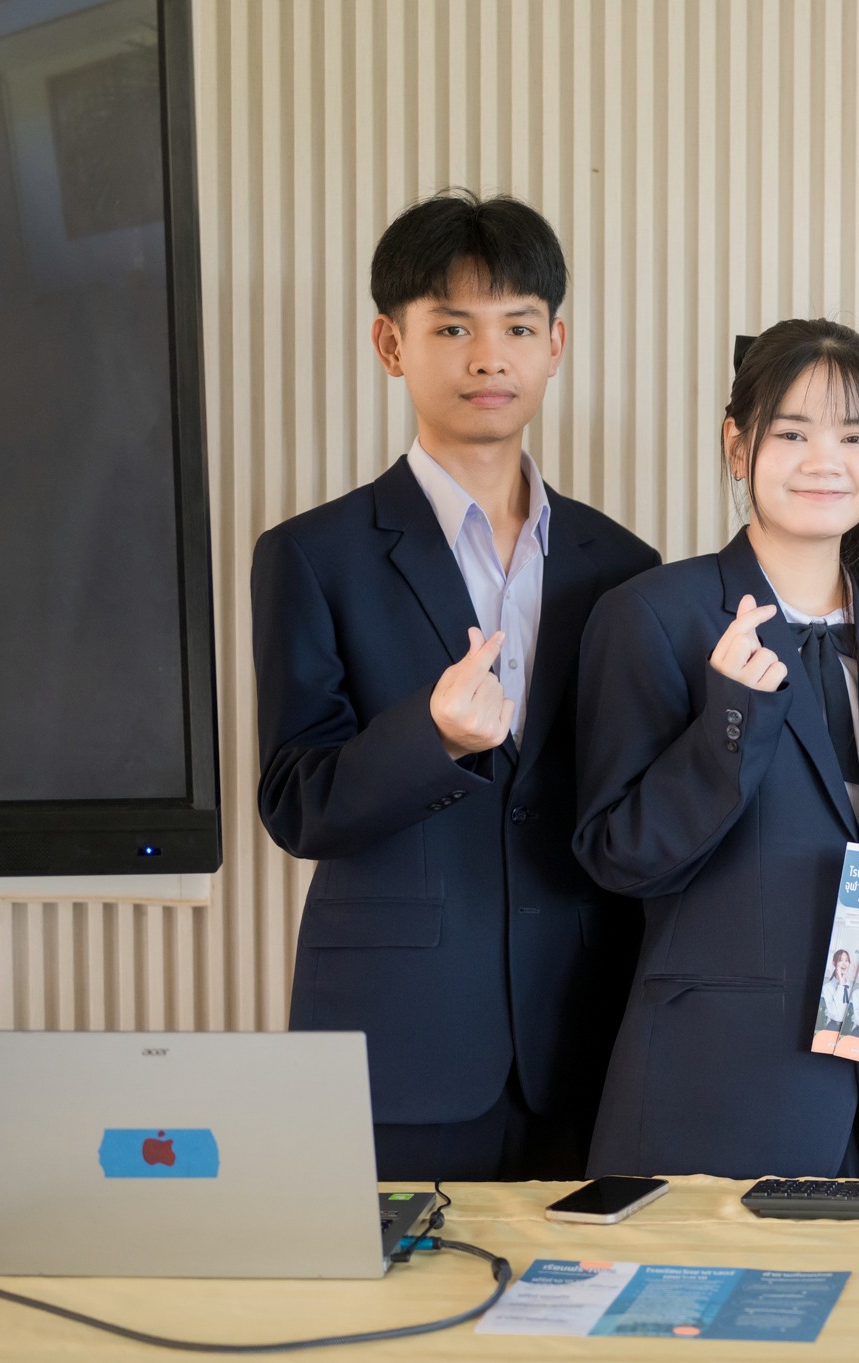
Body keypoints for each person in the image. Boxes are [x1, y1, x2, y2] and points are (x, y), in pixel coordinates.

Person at [251, 191, 659, 1180]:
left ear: (555, 344)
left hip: (586, 1036)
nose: (489, 357)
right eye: (451, 328)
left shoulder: (624, 565)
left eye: (517, 326)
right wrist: (429, 738)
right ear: (391, 345)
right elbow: (295, 801)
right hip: (399, 1039)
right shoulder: (313, 555)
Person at [572, 319, 859, 1179]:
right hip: (716, 1101)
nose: (825, 461)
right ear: (738, 446)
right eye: (793, 433)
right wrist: (730, 720)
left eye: (855, 436)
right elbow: (617, 855)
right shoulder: (652, 615)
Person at [816, 948, 855, 1031]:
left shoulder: (851, 986)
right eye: (841, 960)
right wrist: (841, 985)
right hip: (833, 1026)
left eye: (847, 960)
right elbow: (833, 1012)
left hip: (847, 1028)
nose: (844, 964)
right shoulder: (828, 987)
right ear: (834, 963)